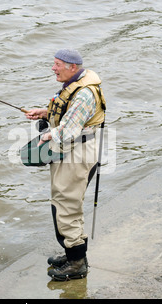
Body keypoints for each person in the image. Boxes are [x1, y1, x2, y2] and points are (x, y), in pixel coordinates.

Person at [25, 49, 106, 281]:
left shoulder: (83, 94)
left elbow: (69, 129)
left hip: (77, 153)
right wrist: (45, 112)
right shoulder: (75, 84)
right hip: (73, 151)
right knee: (64, 201)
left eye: (58, 64)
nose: (53, 68)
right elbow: (69, 115)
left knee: (66, 204)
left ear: (72, 67)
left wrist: (47, 136)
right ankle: (73, 254)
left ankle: (77, 263)